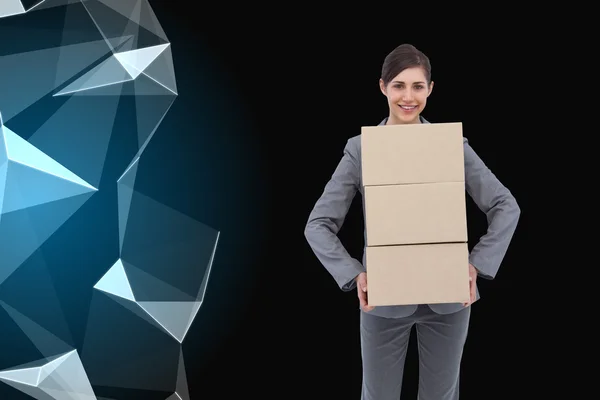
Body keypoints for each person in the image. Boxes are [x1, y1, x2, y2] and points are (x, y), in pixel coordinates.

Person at [303, 43, 521, 400]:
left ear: (430, 89)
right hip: (384, 300)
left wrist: (475, 265)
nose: (408, 96)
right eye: (399, 85)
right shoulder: (361, 149)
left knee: (442, 395)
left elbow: (505, 205)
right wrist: (354, 273)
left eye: (418, 86)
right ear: (383, 87)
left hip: (448, 300)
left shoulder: (452, 145)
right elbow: (318, 223)